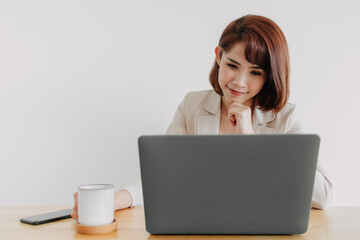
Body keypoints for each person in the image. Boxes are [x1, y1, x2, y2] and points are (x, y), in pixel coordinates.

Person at [71, 14, 333, 219]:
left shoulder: (285, 117)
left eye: (255, 72)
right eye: (232, 65)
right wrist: (111, 202)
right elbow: (160, 174)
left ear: (270, 75)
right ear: (219, 56)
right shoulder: (192, 105)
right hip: (202, 226)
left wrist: (251, 140)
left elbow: (323, 197)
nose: (240, 83)